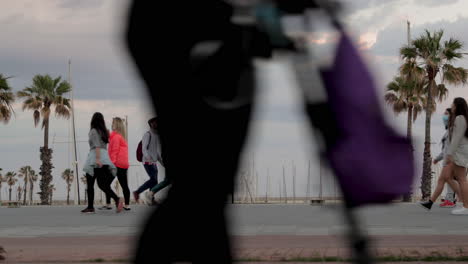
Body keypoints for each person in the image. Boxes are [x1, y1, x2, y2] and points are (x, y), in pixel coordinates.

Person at [420, 98, 468, 214]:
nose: (451, 106)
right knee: (450, 178)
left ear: (457, 106)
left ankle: (466, 207)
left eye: (453, 104)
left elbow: (456, 138)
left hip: (458, 153)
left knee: (461, 179)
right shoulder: (461, 119)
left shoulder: (460, 118)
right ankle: (463, 202)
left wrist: (450, 153)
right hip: (459, 153)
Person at [81, 112, 124, 213]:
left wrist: (97, 159)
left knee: (90, 183)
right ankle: (117, 199)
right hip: (105, 158)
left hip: (95, 158)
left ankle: (91, 207)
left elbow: (96, 146)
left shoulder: (93, 131)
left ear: (93, 120)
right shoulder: (104, 132)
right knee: (102, 184)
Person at [100, 117, 131, 211]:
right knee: (124, 185)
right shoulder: (119, 137)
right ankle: (127, 205)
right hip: (123, 165)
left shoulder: (116, 137)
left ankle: (113, 202)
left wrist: (111, 164)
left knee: (104, 184)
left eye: (113, 123)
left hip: (116, 164)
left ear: (117, 125)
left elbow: (114, 151)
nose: (111, 124)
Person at [133, 117, 163, 203]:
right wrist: (149, 158)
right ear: (150, 124)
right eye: (153, 122)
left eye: (156, 122)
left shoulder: (156, 135)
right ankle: (137, 192)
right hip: (147, 161)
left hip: (153, 162)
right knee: (153, 180)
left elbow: (156, 151)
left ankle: (151, 199)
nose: (155, 124)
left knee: (155, 181)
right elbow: (144, 149)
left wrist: (161, 162)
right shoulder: (147, 134)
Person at [434, 109, 456, 208]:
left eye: (446, 114)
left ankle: (450, 200)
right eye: (444, 114)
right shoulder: (448, 131)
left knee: (449, 179)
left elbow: (451, 148)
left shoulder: (452, 131)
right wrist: (438, 159)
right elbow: (445, 150)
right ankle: (449, 199)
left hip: (451, 160)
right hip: (448, 160)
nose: (444, 116)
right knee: (448, 180)